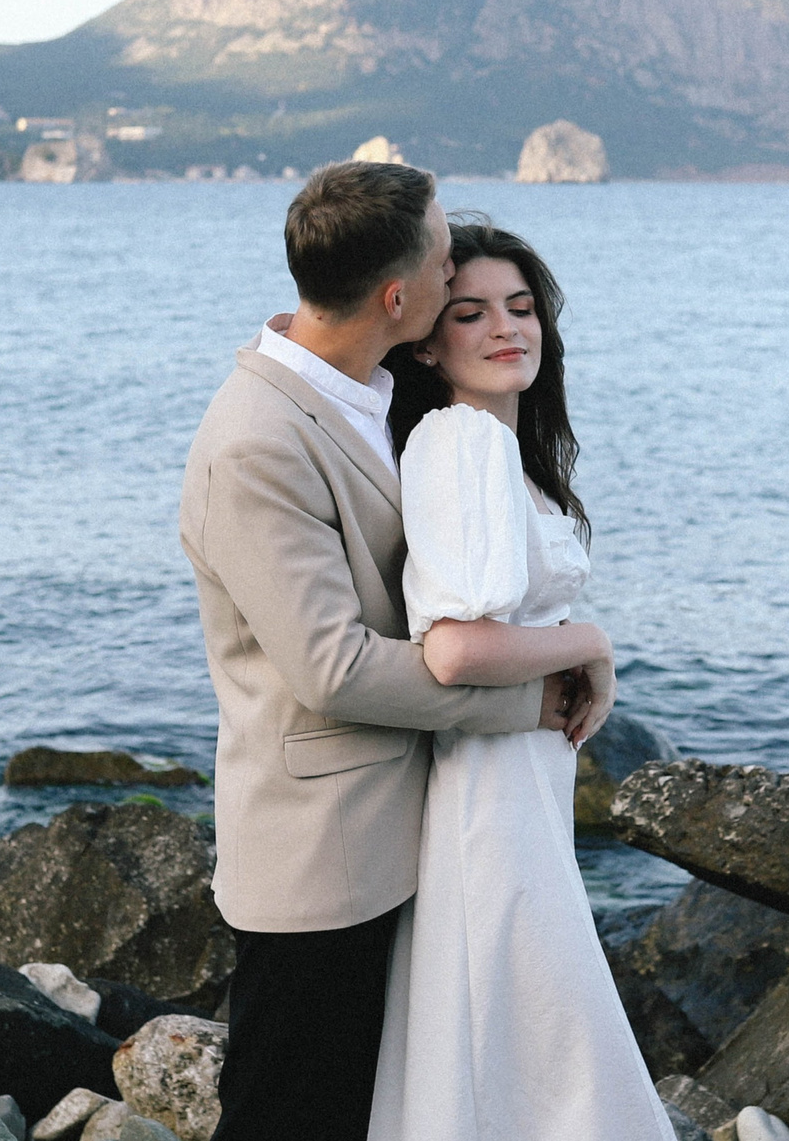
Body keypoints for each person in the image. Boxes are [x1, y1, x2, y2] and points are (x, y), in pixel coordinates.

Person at [179, 163, 592, 1141]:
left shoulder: (375, 389)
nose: (461, 273)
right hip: (321, 850)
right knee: (287, 1117)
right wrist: (527, 700)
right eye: (447, 260)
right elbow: (334, 668)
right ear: (398, 295)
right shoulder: (255, 440)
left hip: (409, 823)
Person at [366, 214, 665, 1139]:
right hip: (488, 793)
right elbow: (454, 648)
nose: (507, 328)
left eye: (522, 306)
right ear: (425, 344)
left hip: (519, 781)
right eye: (471, 313)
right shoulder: (464, 443)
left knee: (513, 1045)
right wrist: (590, 641)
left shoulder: (501, 449)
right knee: (546, 1038)